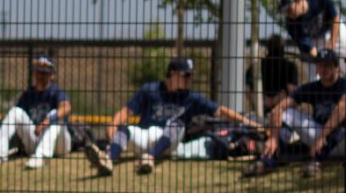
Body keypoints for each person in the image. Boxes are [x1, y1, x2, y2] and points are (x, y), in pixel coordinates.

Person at [85, 56, 259, 178]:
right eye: (186, 75)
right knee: (125, 129)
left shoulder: (191, 97)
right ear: (173, 73)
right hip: (146, 137)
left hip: (169, 142)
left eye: (191, 75)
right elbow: (126, 112)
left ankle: (150, 158)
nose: (189, 79)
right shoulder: (150, 90)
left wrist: (249, 123)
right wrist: (112, 125)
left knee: (177, 124)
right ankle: (108, 160)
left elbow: (221, 111)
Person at [242, 48, 346, 178]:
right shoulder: (312, 87)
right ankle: (268, 160)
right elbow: (279, 108)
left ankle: (316, 161)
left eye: (327, 65)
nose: (323, 68)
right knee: (286, 113)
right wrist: (273, 138)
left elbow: (342, 109)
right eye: (320, 65)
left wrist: (321, 137)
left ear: (336, 67)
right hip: (320, 142)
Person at [0, 55, 72, 169]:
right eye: (38, 72)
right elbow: (13, 119)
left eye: (44, 73)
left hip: (60, 144)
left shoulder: (56, 92)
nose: (41, 75)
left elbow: (66, 108)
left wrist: (47, 121)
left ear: (51, 75)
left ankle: (41, 157)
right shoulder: (28, 94)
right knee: (15, 111)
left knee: (55, 116)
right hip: (36, 141)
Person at [277, 0, 342, 57]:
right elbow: (310, 48)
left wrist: (330, 50)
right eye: (285, 11)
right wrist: (319, 57)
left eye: (289, 9)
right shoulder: (291, 25)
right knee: (319, 64)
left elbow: (335, 19)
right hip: (315, 41)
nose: (288, 14)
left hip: (334, 31)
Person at [254, 34, 298, 119]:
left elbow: (248, 85)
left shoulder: (260, 65)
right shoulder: (290, 66)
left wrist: (263, 99)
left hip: (263, 108)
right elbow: (292, 90)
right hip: (283, 110)